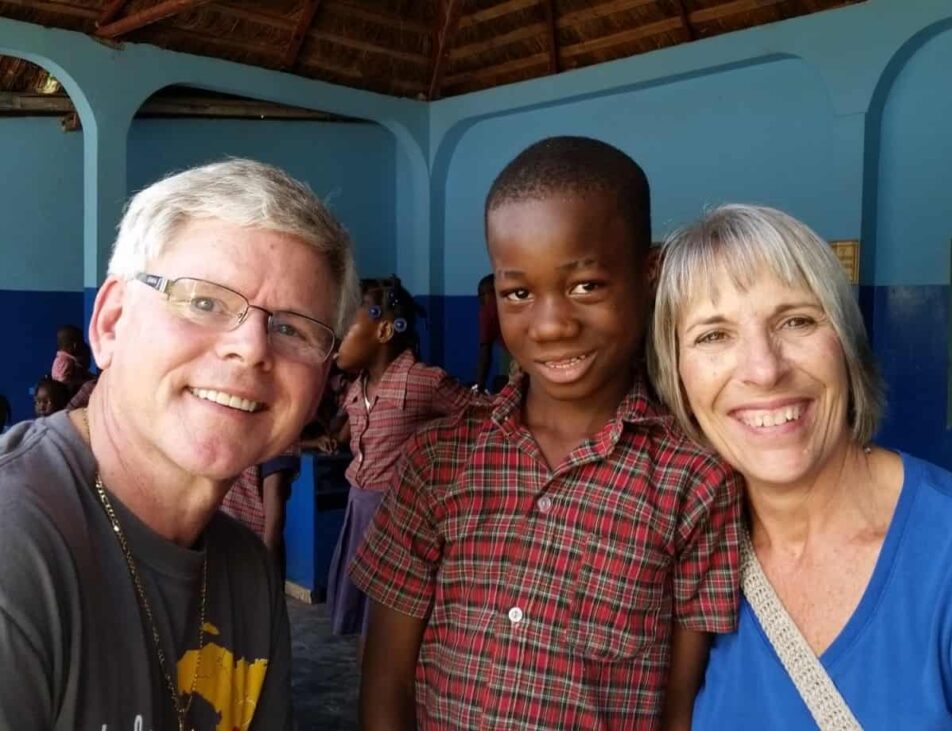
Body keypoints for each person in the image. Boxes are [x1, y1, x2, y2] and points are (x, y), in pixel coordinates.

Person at [352, 136, 743, 730]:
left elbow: (679, 705)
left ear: (648, 274)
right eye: (518, 293)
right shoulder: (438, 463)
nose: (552, 324)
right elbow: (385, 678)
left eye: (586, 284)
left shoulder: (696, 479)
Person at [0, 158, 359, 730]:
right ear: (111, 323)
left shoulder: (246, 573)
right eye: (205, 302)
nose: (252, 348)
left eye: (292, 327)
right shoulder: (17, 550)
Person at [648, 204, 952, 729]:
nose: (764, 368)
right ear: (679, 381)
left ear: (846, 346)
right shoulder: (680, 559)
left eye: (796, 321)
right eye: (714, 335)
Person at [324, 276, 474, 644]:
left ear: (385, 329)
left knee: (392, 623)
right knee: (365, 623)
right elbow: (348, 432)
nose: (336, 338)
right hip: (359, 510)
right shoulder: (356, 388)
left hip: (400, 521)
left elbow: (479, 419)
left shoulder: (425, 383)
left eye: (346, 326)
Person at [220, 450, 301, 576]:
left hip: (223, 538)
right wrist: (268, 563)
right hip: (253, 545)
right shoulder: (277, 433)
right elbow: (274, 491)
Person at [475, 272, 509, 392]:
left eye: (481, 295)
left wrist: (480, 384)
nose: (479, 299)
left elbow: (485, 351)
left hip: (515, 356)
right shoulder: (511, 304)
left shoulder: (487, 311)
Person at [50, 324, 93, 396]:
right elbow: (62, 380)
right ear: (74, 346)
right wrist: (82, 382)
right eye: (81, 342)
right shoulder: (64, 361)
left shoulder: (69, 360)